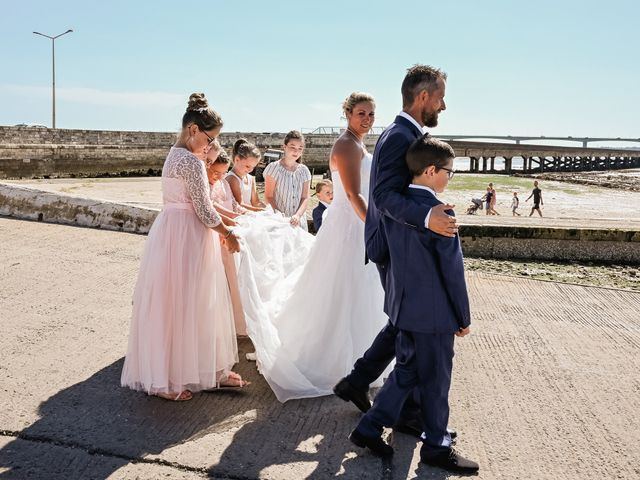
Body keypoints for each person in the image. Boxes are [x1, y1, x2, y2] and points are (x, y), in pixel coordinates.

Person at [236, 92, 390, 402]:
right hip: (350, 226)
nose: (367, 119)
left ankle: (361, 355)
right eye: (361, 113)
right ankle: (337, 360)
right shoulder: (346, 145)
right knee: (339, 287)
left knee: (358, 289)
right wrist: (375, 225)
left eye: (372, 114)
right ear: (347, 113)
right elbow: (352, 194)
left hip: (355, 223)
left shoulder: (358, 144)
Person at [334, 64, 457, 439]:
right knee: (411, 330)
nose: (443, 105)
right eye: (440, 97)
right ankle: (401, 413)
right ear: (423, 97)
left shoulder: (407, 133)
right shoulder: (400, 136)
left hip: (400, 246)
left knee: (405, 323)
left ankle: (368, 389)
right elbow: (384, 196)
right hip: (396, 249)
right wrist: (427, 217)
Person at [350, 136, 478, 473]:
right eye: (450, 171)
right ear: (433, 170)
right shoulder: (440, 214)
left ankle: (368, 427)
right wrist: (463, 316)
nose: (451, 177)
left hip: (403, 307)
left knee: (407, 373)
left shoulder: (395, 206)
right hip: (434, 314)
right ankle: (436, 445)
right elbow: (453, 273)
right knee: (436, 380)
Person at [121, 93, 247, 402]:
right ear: (193, 129)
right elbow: (205, 211)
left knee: (187, 302)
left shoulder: (174, 154)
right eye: (209, 138)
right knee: (189, 301)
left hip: (174, 232)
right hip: (186, 234)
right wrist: (229, 233)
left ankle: (206, 369)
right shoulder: (190, 161)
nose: (210, 146)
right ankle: (166, 379)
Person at [205, 148, 249, 338]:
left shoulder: (223, 182)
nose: (219, 176)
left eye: (223, 172)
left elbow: (234, 205)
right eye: (215, 172)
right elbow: (212, 208)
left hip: (228, 228)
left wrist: (248, 214)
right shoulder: (204, 185)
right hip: (216, 233)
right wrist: (231, 222)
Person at [264, 131, 312, 230]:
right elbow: (269, 197)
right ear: (284, 147)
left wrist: (298, 215)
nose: (296, 151)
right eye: (292, 147)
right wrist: (280, 216)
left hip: (298, 222)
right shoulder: (273, 168)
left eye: (300, 148)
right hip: (279, 222)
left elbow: (305, 197)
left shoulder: (304, 171)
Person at [226, 139, 265, 212]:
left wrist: (268, 210)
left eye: (253, 167)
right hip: (241, 216)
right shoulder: (232, 179)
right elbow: (240, 204)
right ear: (237, 159)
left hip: (251, 214)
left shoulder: (251, 178)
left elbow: (255, 202)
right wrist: (261, 211)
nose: (250, 170)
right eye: (247, 166)